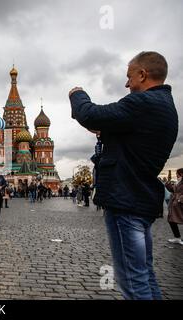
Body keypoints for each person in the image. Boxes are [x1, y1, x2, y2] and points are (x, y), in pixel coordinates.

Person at [69, 51, 178, 300]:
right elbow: (132, 143)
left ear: (143, 74)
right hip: (140, 199)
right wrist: (106, 132)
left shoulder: (143, 104)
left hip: (125, 200)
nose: (127, 83)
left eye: (129, 77)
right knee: (144, 275)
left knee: (132, 282)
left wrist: (77, 94)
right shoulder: (166, 106)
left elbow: (89, 113)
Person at [164, 168, 183, 245]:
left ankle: (177, 238)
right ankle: (177, 237)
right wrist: (168, 182)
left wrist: (180, 199)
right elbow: (173, 189)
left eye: (177, 174)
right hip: (175, 204)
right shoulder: (179, 181)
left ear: (181, 174)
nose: (176, 175)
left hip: (180, 203)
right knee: (171, 220)